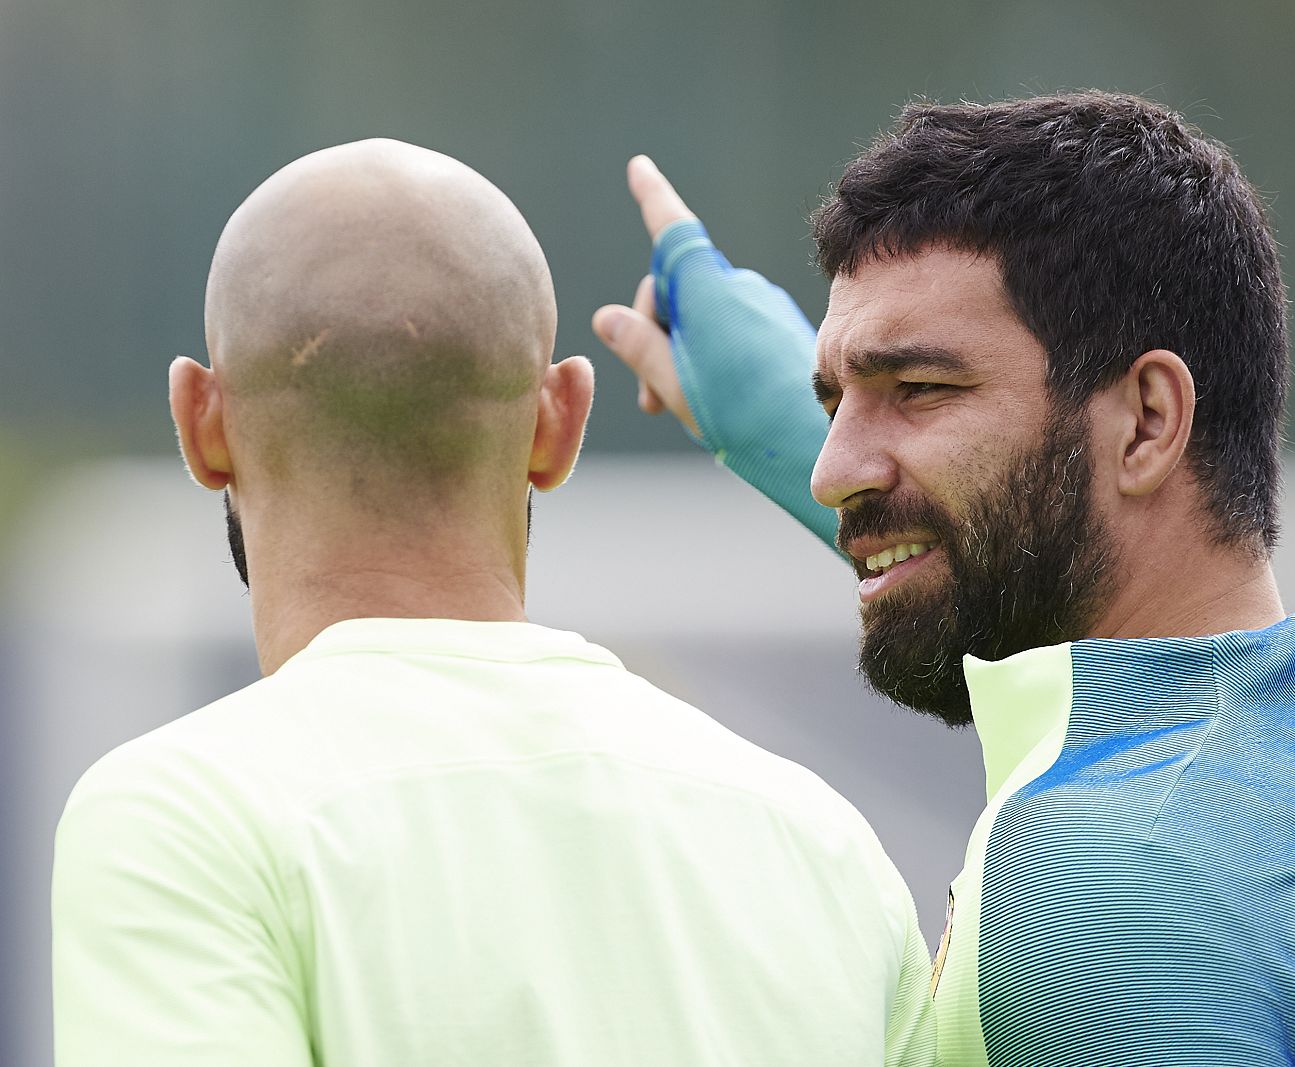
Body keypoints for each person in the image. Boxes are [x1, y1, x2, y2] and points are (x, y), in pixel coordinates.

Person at [593, 93, 1295, 1065]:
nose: (831, 468)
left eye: (918, 388)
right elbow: (1045, 554)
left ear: (1146, 420)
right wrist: (771, 402)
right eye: (834, 401)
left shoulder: (1104, 871)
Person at [52, 139, 933, 1067]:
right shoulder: (823, 847)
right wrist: (844, 469)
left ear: (200, 421)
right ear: (559, 422)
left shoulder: (186, 821)